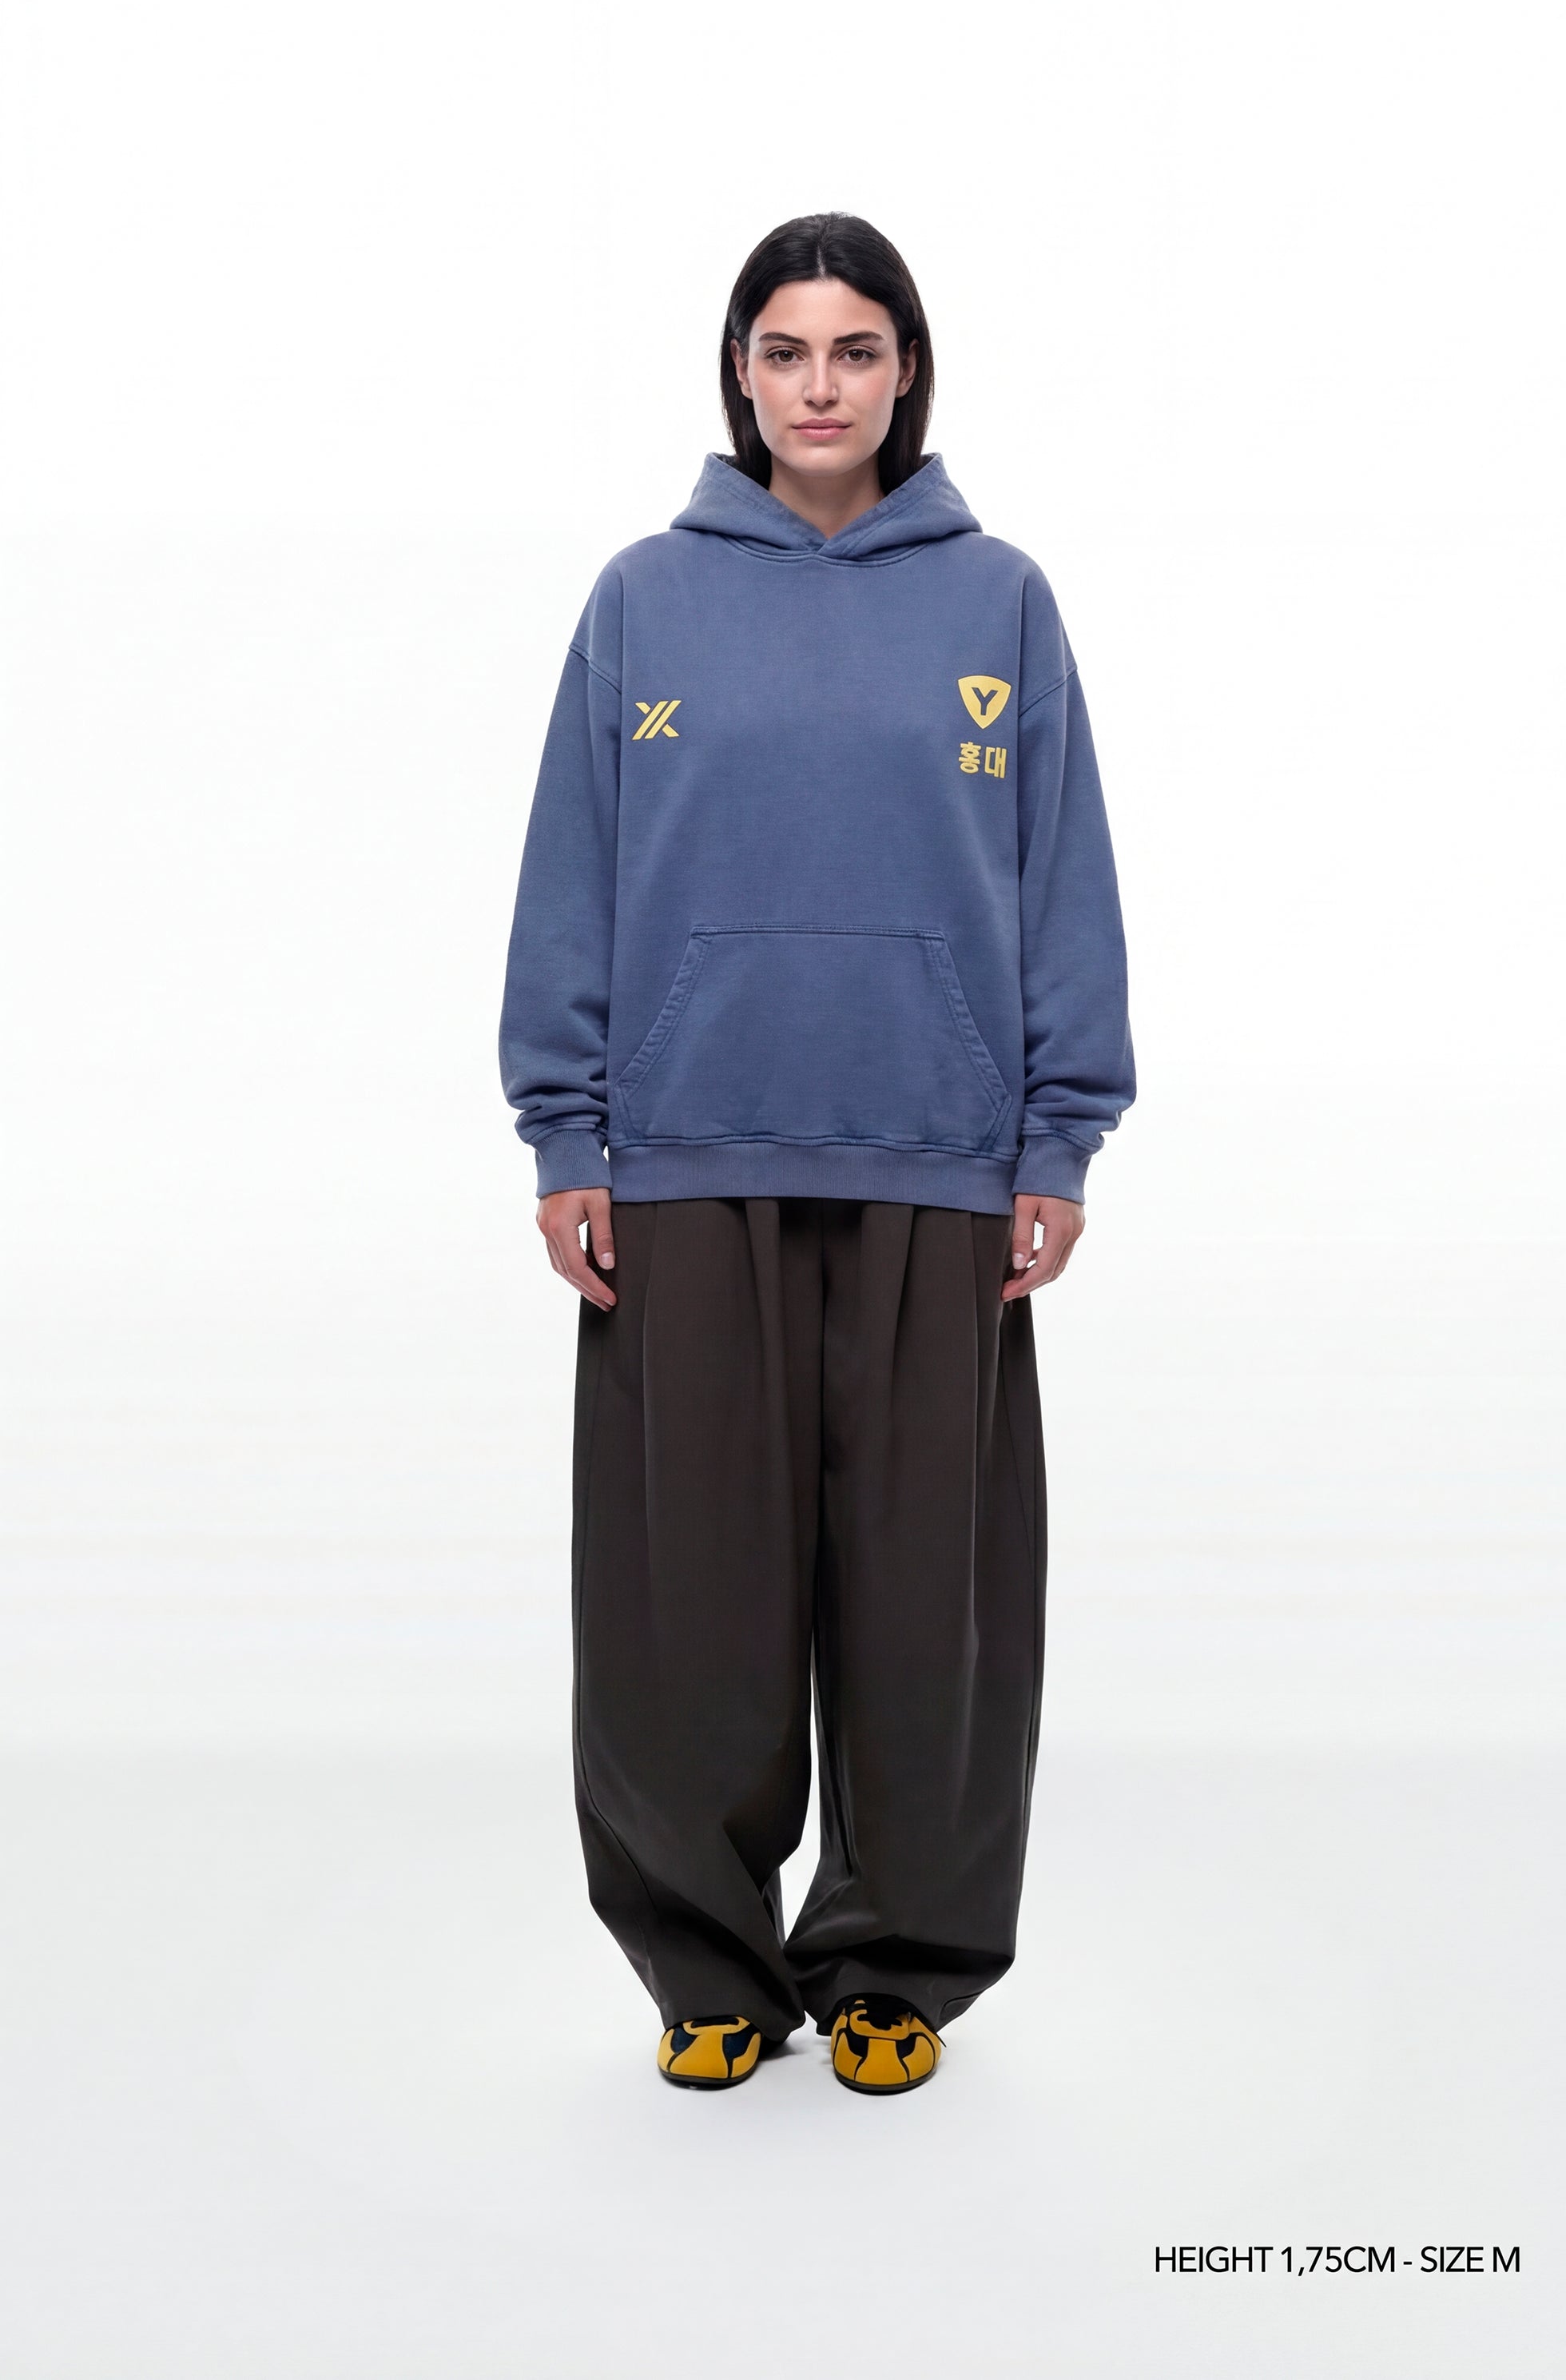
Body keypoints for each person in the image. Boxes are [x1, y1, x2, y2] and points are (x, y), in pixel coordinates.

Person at [499, 212, 1135, 2096]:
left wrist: (1059, 1138)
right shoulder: (643, 599)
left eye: (856, 350)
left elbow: (1061, 877)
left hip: (942, 1162)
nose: (820, 386)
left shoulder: (998, 601)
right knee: (682, 1602)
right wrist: (564, 1130)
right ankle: (705, 1964)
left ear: (906, 369)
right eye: (785, 351)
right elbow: (572, 872)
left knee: (929, 1602)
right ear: (741, 373)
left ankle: (894, 1968)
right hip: (683, 1160)